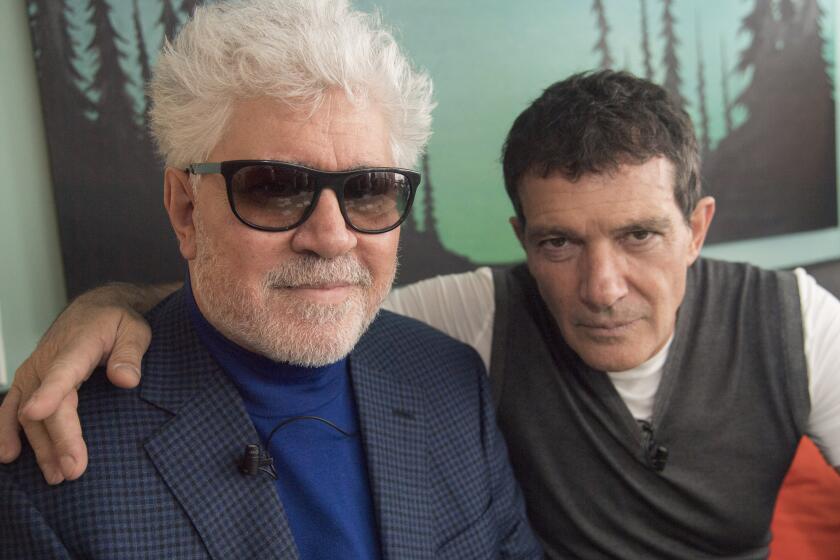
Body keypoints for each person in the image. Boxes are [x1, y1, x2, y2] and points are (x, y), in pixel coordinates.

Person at [3, 69, 840, 559]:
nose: (603, 286)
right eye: (558, 243)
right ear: (520, 239)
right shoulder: (474, 316)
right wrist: (112, 306)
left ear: (697, 230)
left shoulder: (795, 319)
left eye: (639, 235)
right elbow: (308, 294)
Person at [0, 1, 541, 558]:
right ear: (186, 209)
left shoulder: (450, 381)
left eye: (369, 188)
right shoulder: (47, 470)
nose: (331, 238)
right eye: (274, 187)